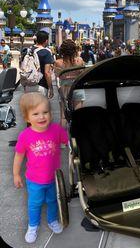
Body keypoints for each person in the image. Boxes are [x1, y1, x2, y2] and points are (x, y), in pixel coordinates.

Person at [13, 93, 68, 243]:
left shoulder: (56, 130)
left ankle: (52, 220)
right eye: (35, 114)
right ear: (27, 118)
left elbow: (68, 142)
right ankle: (33, 225)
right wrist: (16, 174)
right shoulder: (25, 136)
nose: (42, 117)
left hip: (53, 178)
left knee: (52, 201)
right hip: (35, 180)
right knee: (35, 203)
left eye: (45, 112)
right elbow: (19, 156)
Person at [54, 39, 86, 126]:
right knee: (78, 116)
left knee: (63, 117)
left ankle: (63, 138)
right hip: (77, 87)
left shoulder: (58, 62)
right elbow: (83, 74)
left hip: (64, 88)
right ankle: (78, 137)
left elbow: (57, 76)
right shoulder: (79, 60)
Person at [24, 31, 54, 98]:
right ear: (46, 41)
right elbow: (47, 73)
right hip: (41, 86)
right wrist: (51, 88)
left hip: (28, 85)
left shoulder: (28, 51)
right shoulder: (46, 52)